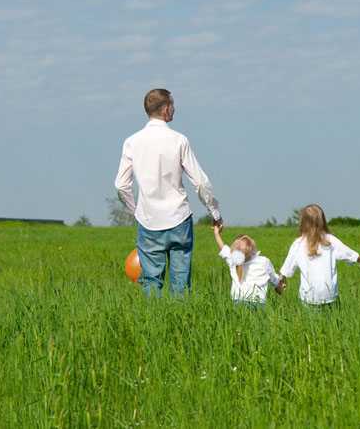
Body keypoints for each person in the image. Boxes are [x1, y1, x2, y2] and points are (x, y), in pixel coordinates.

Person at [114, 88, 222, 297]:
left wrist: (134, 210)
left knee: (151, 283)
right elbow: (200, 182)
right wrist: (215, 212)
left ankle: (153, 326)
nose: (174, 109)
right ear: (165, 109)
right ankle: (181, 324)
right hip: (179, 219)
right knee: (181, 284)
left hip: (149, 220)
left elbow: (121, 185)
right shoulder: (179, 140)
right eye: (172, 105)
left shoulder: (132, 142)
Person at [279, 204, 360, 306]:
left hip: (308, 296)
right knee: (331, 320)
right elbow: (347, 253)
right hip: (329, 295)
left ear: (302, 223)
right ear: (322, 221)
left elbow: (287, 268)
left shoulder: (298, 244)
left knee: (310, 321)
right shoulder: (330, 240)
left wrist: (281, 281)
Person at [213, 225, 285, 306]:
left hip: (237, 302)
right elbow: (276, 282)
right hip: (258, 303)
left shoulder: (232, 259)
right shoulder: (264, 261)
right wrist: (281, 283)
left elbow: (223, 248)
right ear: (252, 247)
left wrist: (216, 232)